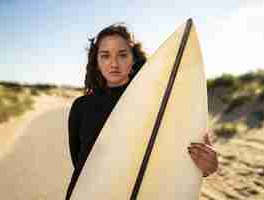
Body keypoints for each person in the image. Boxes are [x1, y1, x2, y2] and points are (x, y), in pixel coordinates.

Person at [65, 23, 218, 199]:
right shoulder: (82, 107)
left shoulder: (160, 105)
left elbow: (173, 158)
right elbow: (80, 163)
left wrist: (206, 168)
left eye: (122, 55)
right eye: (105, 56)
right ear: (96, 61)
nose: (114, 63)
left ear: (134, 59)